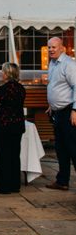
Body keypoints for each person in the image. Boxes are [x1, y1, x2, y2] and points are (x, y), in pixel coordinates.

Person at [44, 37, 76, 191]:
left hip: (69, 111)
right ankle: (62, 181)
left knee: (73, 148)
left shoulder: (69, 64)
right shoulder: (52, 63)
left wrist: (75, 110)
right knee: (60, 148)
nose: (51, 50)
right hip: (57, 112)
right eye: (49, 47)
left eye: (54, 47)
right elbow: (55, 85)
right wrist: (52, 105)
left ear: (62, 48)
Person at [0, 61, 26, 194]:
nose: (2, 73)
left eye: (3, 71)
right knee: (14, 155)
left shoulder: (1, 90)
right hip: (17, 125)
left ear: (7, 73)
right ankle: (15, 185)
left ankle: (5, 186)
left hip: (4, 126)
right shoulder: (21, 89)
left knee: (4, 156)